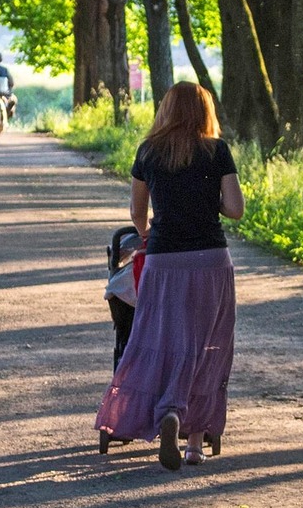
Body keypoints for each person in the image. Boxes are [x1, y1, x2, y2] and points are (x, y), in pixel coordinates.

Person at [93, 83, 242, 470]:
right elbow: (236, 209)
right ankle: (194, 442)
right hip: (211, 260)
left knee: (163, 339)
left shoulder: (149, 151)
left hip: (164, 261)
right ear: (204, 111)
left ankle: (168, 410)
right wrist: (209, 202)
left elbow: (136, 212)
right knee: (208, 344)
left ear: (166, 110)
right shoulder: (217, 151)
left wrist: (146, 233)